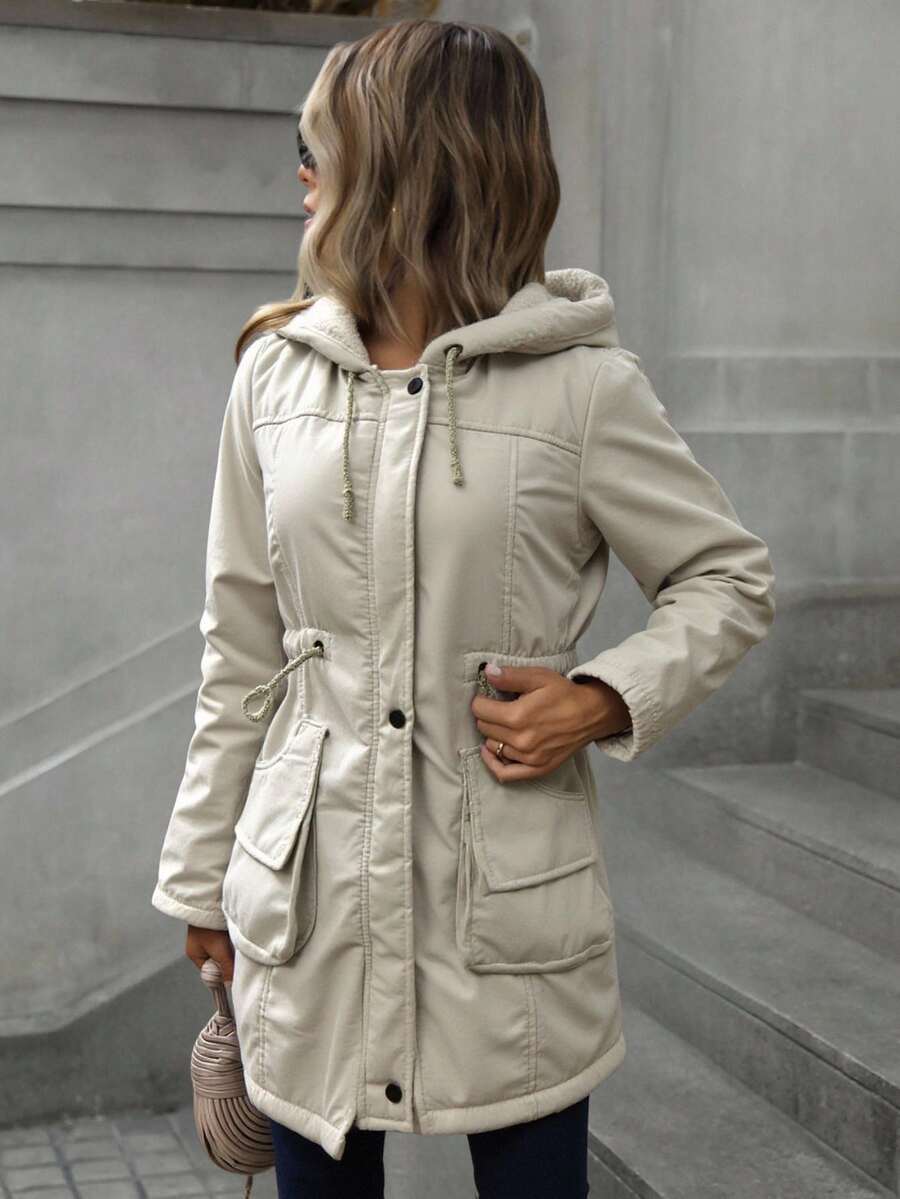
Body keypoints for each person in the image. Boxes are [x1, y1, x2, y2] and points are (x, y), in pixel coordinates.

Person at [151, 18, 776, 1198]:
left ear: (409, 168)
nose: (301, 175)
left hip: (509, 911)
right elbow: (238, 647)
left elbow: (728, 577)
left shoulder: (582, 387)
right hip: (309, 891)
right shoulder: (273, 376)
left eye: (321, 148)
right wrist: (198, 877)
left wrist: (600, 697)